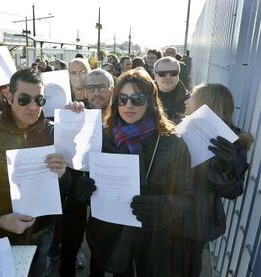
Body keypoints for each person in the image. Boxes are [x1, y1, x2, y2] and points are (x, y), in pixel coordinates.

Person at [74, 68, 193, 276]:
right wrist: (82, 192)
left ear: (150, 102)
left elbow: (188, 198)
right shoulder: (102, 136)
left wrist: (163, 206)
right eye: (122, 99)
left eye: (137, 99)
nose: (128, 105)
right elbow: (89, 185)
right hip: (107, 235)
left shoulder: (171, 143)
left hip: (152, 241)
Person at [0, 68, 69, 277]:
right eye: (24, 99)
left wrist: (63, 175)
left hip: (42, 231)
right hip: (0, 233)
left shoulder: (54, 132)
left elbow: (67, 187)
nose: (33, 106)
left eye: (39, 100)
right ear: (9, 97)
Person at [179, 83, 252, 276]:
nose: (186, 101)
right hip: (167, 211)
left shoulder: (232, 142)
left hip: (196, 222)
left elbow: (233, 191)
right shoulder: (182, 128)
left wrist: (226, 167)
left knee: (187, 269)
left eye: (191, 97)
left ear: (206, 104)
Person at [58, 69, 114, 277]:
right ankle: (66, 271)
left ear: (112, 88)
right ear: (85, 91)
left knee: (100, 239)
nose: (96, 92)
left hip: (106, 187)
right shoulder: (77, 112)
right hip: (77, 182)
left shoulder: (123, 113)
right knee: (71, 234)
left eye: (102, 87)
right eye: (91, 88)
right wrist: (68, 116)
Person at [154, 56, 190, 124]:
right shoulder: (143, 96)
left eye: (173, 73)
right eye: (162, 74)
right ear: (155, 76)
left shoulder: (189, 101)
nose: (168, 77)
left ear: (178, 74)